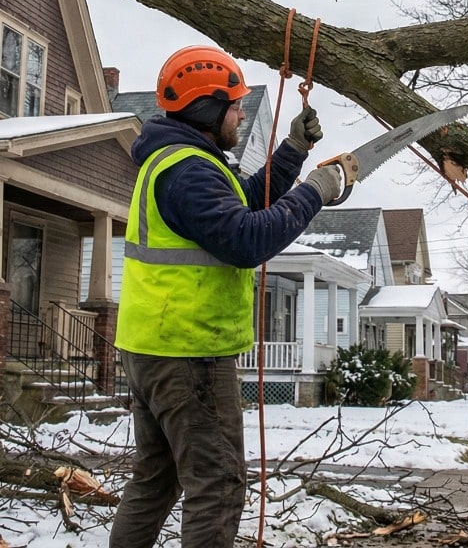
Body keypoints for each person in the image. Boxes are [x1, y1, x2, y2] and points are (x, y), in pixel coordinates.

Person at [108, 45, 344, 548]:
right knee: (216, 486)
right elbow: (245, 240)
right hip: (188, 354)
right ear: (208, 109)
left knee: (157, 478)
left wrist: (293, 153)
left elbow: (248, 200)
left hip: (156, 346)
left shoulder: (186, 161)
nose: (241, 111)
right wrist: (316, 191)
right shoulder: (188, 171)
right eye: (234, 104)